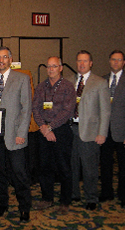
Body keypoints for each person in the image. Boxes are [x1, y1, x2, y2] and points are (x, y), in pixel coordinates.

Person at [0, 46, 32, 223]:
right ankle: (2, 203)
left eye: (5, 57)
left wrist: (22, 133)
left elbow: (26, 108)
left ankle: (24, 208)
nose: (1, 60)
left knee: (19, 174)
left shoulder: (22, 78)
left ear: (10, 59)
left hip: (14, 135)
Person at [67, 50, 110, 211]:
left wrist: (102, 133)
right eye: (79, 61)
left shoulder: (99, 82)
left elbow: (105, 111)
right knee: (72, 165)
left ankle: (91, 197)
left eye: (85, 61)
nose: (81, 64)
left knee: (89, 167)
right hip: (71, 130)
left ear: (91, 63)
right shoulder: (69, 81)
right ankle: (74, 194)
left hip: (90, 132)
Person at [32, 57, 76, 215]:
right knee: (44, 167)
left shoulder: (67, 86)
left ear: (61, 68)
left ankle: (65, 201)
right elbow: (35, 108)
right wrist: (44, 127)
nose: (50, 69)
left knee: (64, 168)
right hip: (43, 131)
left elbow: (67, 112)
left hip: (61, 131)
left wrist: (50, 127)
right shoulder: (41, 86)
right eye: (48, 66)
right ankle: (47, 198)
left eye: (54, 66)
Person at [100, 50, 125, 208]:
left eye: (119, 60)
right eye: (113, 59)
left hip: (122, 131)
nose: (116, 62)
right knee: (105, 163)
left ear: (123, 63)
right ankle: (106, 192)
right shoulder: (102, 80)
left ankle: (123, 195)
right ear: (109, 61)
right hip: (104, 130)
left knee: (123, 166)